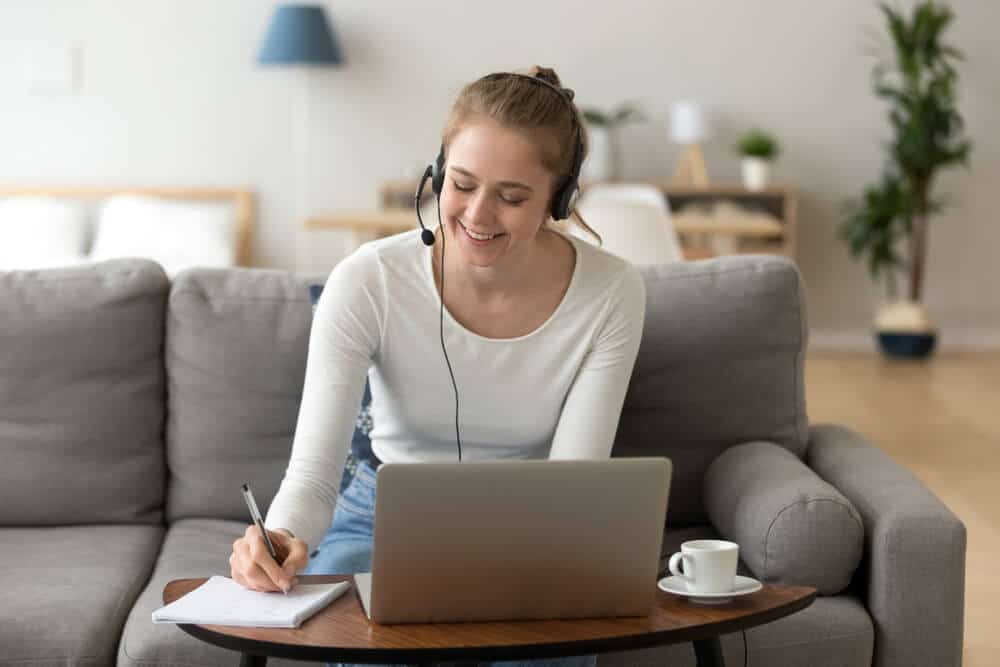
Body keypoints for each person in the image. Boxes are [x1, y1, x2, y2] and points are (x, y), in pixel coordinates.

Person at [229, 66, 646, 667]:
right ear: (435, 173)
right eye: (462, 183)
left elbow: (572, 487)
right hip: (382, 516)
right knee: (358, 647)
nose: (477, 215)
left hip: (535, 528)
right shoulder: (367, 280)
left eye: (512, 196)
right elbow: (315, 479)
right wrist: (283, 537)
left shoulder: (610, 291)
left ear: (560, 198)